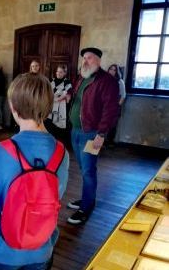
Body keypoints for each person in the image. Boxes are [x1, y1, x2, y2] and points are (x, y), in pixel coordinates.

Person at [0, 73, 69, 269]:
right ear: (48, 106)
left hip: (0, 249)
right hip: (42, 248)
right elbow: (56, 193)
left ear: (13, 108)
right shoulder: (62, 153)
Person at [67, 47, 120, 225]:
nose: (85, 61)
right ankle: (86, 198)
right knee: (83, 168)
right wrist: (68, 96)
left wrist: (101, 134)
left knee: (89, 170)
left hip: (91, 134)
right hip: (75, 130)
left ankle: (87, 207)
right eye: (84, 58)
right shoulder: (81, 77)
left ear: (98, 60)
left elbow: (110, 110)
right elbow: (77, 96)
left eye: (89, 58)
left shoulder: (107, 81)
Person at [45, 65, 72, 146]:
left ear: (65, 73)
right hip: (50, 106)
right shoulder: (51, 81)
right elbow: (46, 92)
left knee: (59, 128)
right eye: (57, 71)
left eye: (60, 72)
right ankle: (50, 144)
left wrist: (57, 99)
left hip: (61, 107)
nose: (58, 73)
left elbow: (67, 94)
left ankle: (59, 146)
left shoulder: (67, 82)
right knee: (49, 125)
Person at [106, 64, 126, 146]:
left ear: (117, 72)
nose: (112, 71)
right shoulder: (105, 80)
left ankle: (109, 142)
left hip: (114, 105)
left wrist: (117, 106)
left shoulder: (120, 82)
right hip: (105, 104)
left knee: (112, 124)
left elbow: (123, 95)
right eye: (110, 69)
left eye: (114, 70)